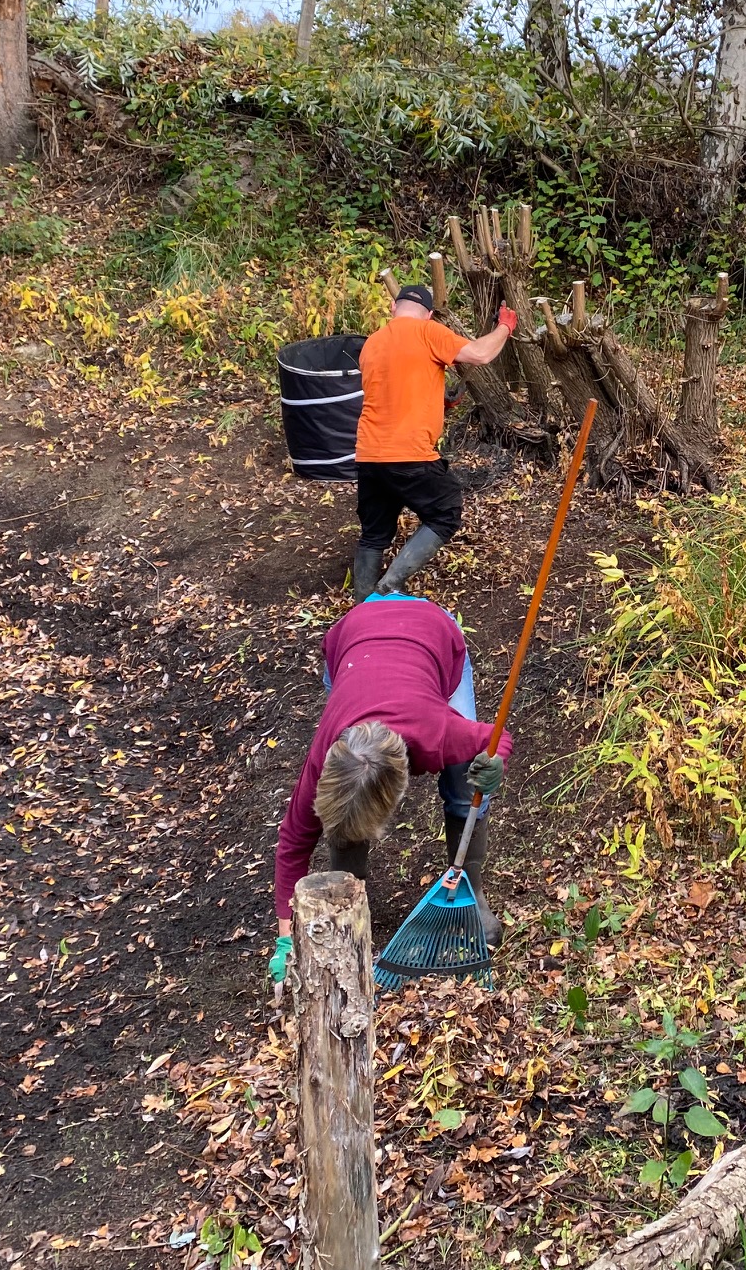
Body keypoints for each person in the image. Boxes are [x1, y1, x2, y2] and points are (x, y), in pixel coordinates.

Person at [269, 593, 511, 989]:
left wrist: (494, 763)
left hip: (433, 633)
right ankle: (347, 903)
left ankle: (472, 889)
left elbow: (495, 737)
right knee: (347, 818)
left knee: (461, 781)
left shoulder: (439, 733)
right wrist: (284, 940)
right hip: (353, 637)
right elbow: (292, 844)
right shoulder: (326, 756)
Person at [352, 283, 516, 600]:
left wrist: (438, 401)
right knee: (445, 513)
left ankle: (363, 607)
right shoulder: (428, 332)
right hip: (410, 454)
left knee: (374, 533)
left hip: (369, 454)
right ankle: (388, 587)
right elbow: (481, 354)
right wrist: (504, 328)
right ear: (428, 315)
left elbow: (393, 389)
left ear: (393, 309)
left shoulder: (371, 344)